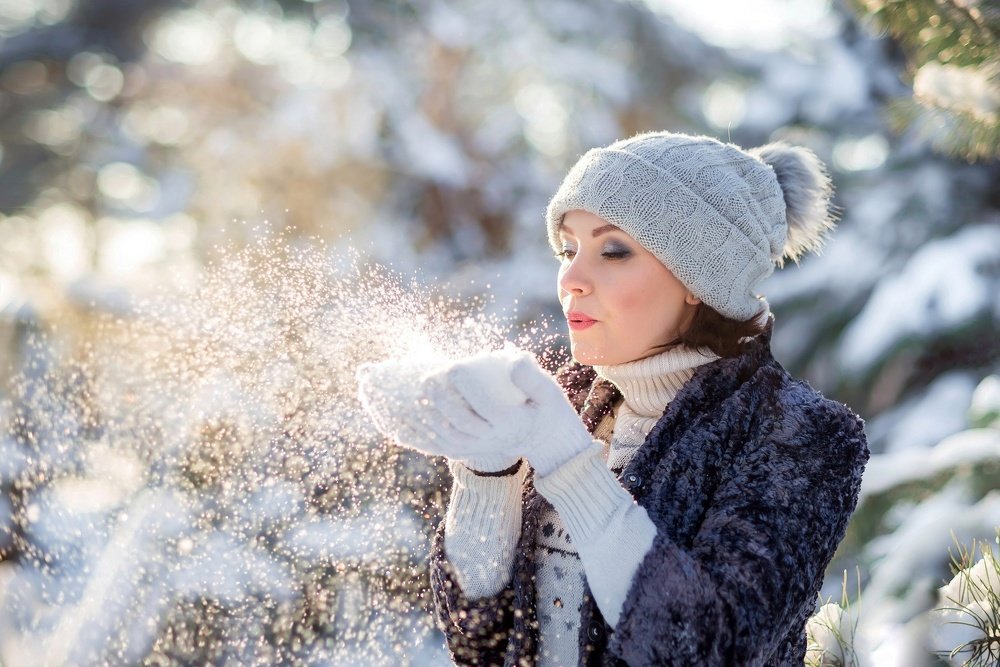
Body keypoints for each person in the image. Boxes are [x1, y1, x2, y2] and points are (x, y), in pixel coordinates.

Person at [357, 131, 869, 666]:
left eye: (614, 251)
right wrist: (487, 473)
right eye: (568, 249)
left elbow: (712, 650)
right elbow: (477, 642)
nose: (571, 278)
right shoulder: (566, 400)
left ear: (699, 277)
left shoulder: (801, 435)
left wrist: (570, 465)